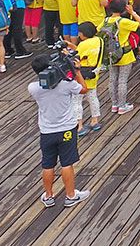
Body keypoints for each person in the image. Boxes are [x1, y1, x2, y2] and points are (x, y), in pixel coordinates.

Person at [27, 52, 91, 208]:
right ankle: (70, 195)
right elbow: (84, 89)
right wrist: (76, 71)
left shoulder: (33, 88)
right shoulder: (66, 84)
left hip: (47, 131)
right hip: (67, 129)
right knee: (66, 163)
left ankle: (48, 196)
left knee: (47, 164)